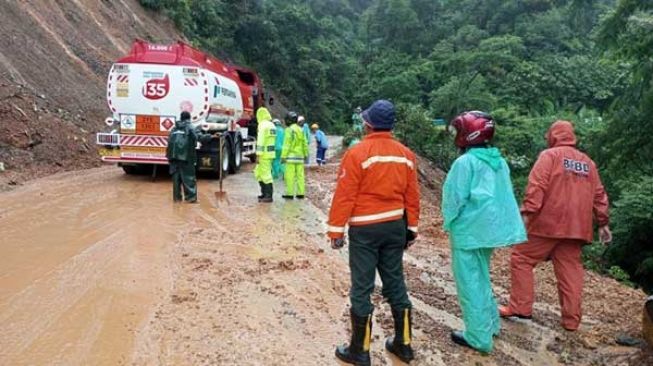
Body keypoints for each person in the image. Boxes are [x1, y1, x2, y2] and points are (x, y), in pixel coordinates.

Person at [328, 100, 420, 365]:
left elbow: (345, 195)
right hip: (395, 227)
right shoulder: (406, 154)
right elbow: (412, 196)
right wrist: (411, 228)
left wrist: (336, 230)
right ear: (391, 125)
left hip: (365, 229)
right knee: (395, 282)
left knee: (362, 286)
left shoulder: (358, 153)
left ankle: (360, 350)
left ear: (367, 124)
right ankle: (403, 345)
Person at [499, 120, 611, 332]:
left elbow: (537, 186)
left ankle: (521, 307)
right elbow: (599, 195)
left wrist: (527, 214)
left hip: (547, 224)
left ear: (553, 136)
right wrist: (603, 224)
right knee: (570, 271)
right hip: (578, 228)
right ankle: (571, 321)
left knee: (522, 258)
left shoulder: (549, 156)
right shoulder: (588, 163)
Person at [442, 111, 527, 353]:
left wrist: (448, 222)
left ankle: (478, 337)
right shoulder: (498, 160)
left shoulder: (465, 163)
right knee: (481, 276)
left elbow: (454, 199)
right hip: (491, 230)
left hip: (468, 231)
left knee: (470, 283)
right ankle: (490, 325)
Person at [166, 111, 214, 203]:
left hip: (173, 158)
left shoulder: (174, 128)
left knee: (176, 179)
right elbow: (199, 137)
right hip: (186, 157)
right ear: (189, 118)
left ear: (181, 118)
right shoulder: (190, 127)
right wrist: (210, 136)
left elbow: (169, 141)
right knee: (189, 178)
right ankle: (190, 199)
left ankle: (177, 199)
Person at [281, 111, 308, 199]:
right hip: (300, 157)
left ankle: (290, 194)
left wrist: (283, 156)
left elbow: (286, 144)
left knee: (290, 176)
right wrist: (306, 155)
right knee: (300, 176)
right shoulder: (301, 129)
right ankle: (300, 193)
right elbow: (305, 143)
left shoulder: (289, 130)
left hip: (290, 158)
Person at [253, 107, 276, 203]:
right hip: (270, 154)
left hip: (264, 155)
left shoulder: (262, 125)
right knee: (259, 173)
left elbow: (261, 141)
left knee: (265, 175)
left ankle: (268, 196)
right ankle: (264, 194)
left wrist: (258, 155)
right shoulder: (272, 125)